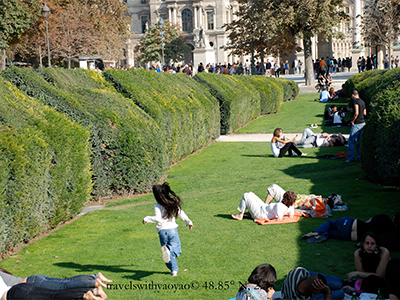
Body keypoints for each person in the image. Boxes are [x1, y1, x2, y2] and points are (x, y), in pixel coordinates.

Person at [143, 182, 193, 277]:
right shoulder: (172, 203)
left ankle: (174, 270)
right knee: (176, 251)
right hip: (172, 230)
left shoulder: (157, 206)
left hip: (162, 232)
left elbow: (157, 218)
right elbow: (181, 213)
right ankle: (171, 256)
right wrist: (189, 222)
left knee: (167, 254)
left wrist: (147, 219)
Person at [302, 213, 400, 246]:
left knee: (330, 223)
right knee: (331, 233)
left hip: (353, 224)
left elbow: (368, 221)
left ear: (394, 218)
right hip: (352, 237)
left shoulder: (384, 217)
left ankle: (316, 232)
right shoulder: (392, 235)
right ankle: (325, 235)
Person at [345, 232, 391, 296]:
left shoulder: (384, 253)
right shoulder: (358, 253)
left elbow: (379, 276)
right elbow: (362, 275)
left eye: (372, 244)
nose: (369, 246)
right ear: (363, 244)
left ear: (377, 245)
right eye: (367, 243)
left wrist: (358, 273)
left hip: (383, 282)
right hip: (367, 281)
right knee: (342, 283)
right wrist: (360, 273)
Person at [0, 275, 106, 300]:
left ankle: (84, 295)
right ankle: (91, 291)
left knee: (54, 296)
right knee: (55, 293)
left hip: (14, 296)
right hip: (20, 288)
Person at [0, 269, 111, 291]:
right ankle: (95, 277)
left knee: (64, 286)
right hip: (34, 279)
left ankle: (93, 281)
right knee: (65, 282)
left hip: (30, 284)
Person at [231, 190, 296, 221]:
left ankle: (240, 215)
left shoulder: (280, 206)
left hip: (260, 214)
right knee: (251, 193)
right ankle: (250, 212)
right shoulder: (290, 207)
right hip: (263, 207)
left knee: (246, 195)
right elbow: (291, 216)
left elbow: (279, 218)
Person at [345, 90, 366, 162]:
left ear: (353, 95)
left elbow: (356, 113)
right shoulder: (362, 102)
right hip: (362, 122)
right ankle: (359, 157)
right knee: (359, 142)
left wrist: (353, 121)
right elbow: (364, 113)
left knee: (351, 141)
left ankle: (350, 158)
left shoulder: (356, 102)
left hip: (357, 123)